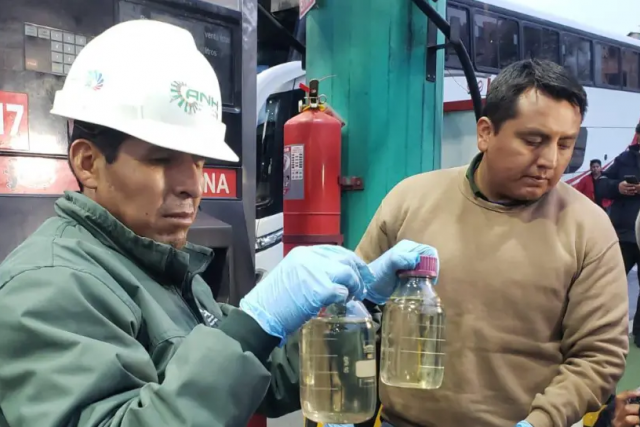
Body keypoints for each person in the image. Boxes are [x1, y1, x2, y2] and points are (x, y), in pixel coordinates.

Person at [0, 20, 436, 427]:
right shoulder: (50, 287)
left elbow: (261, 378)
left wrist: (362, 308)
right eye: (161, 160)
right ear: (88, 163)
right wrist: (254, 324)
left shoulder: (159, 270)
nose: (193, 186)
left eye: (198, 161)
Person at [354, 59, 629, 427]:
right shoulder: (410, 202)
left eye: (566, 144)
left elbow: (599, 356)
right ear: (485, 133)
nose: (550, 160)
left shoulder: (588, 229)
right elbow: (356, 317)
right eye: (533, 141)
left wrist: (541, 421)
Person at [604, 127, 640, 348]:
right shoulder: (625, 158)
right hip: (623, 234)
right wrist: (617, 187)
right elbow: (602, 183)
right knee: (609, 284)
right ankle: (603, 330)